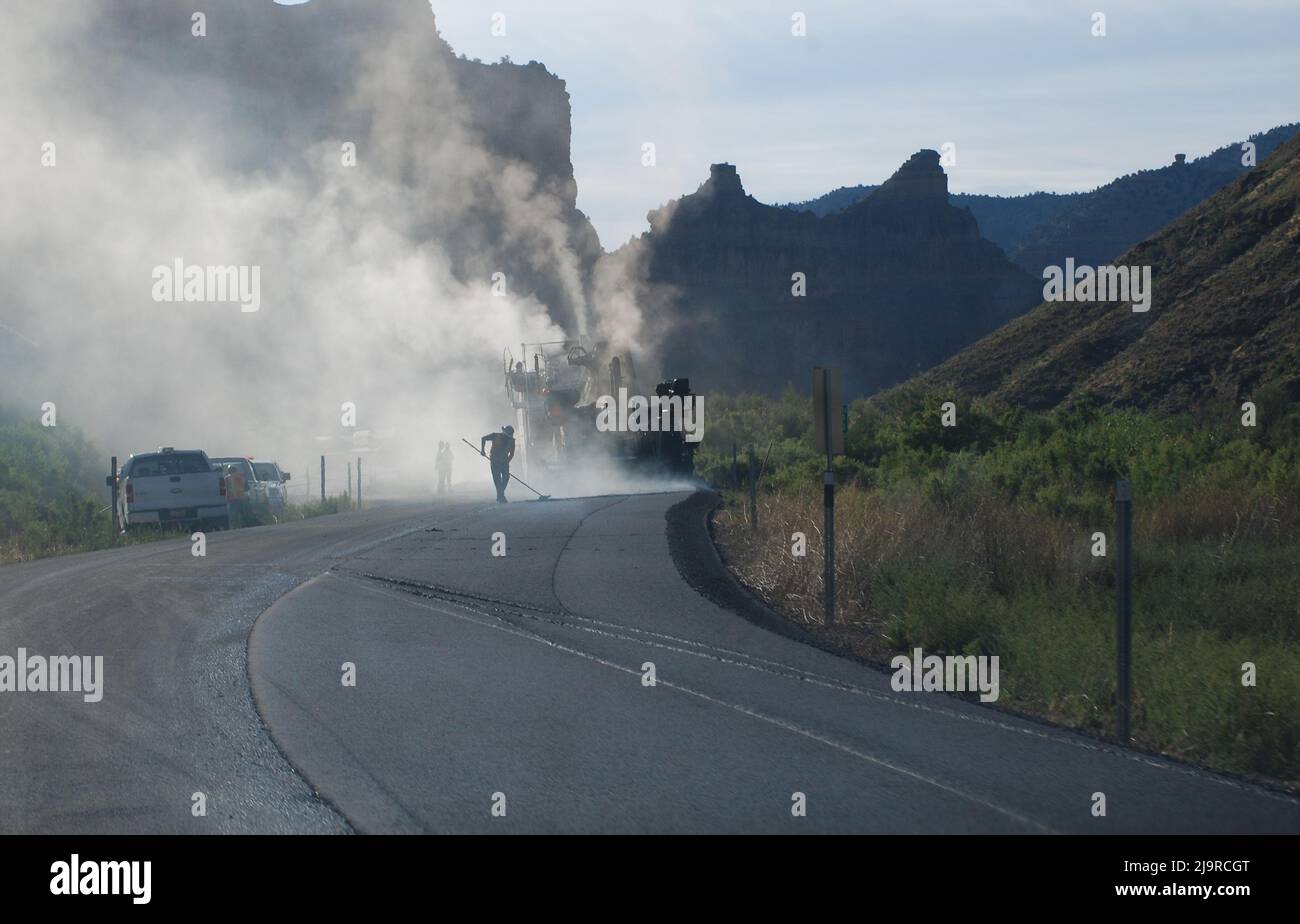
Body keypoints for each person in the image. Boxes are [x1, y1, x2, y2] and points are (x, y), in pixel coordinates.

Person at [480, 425, 516, 502]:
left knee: (506, 478)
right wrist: (482, 450)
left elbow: (512, 454)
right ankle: (501, 496)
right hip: (494, 461)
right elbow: (483, 438)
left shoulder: (512, 441)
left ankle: (500, 494)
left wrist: (506, 461)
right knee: (497, 479)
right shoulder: (495, 435)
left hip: (504, 462)